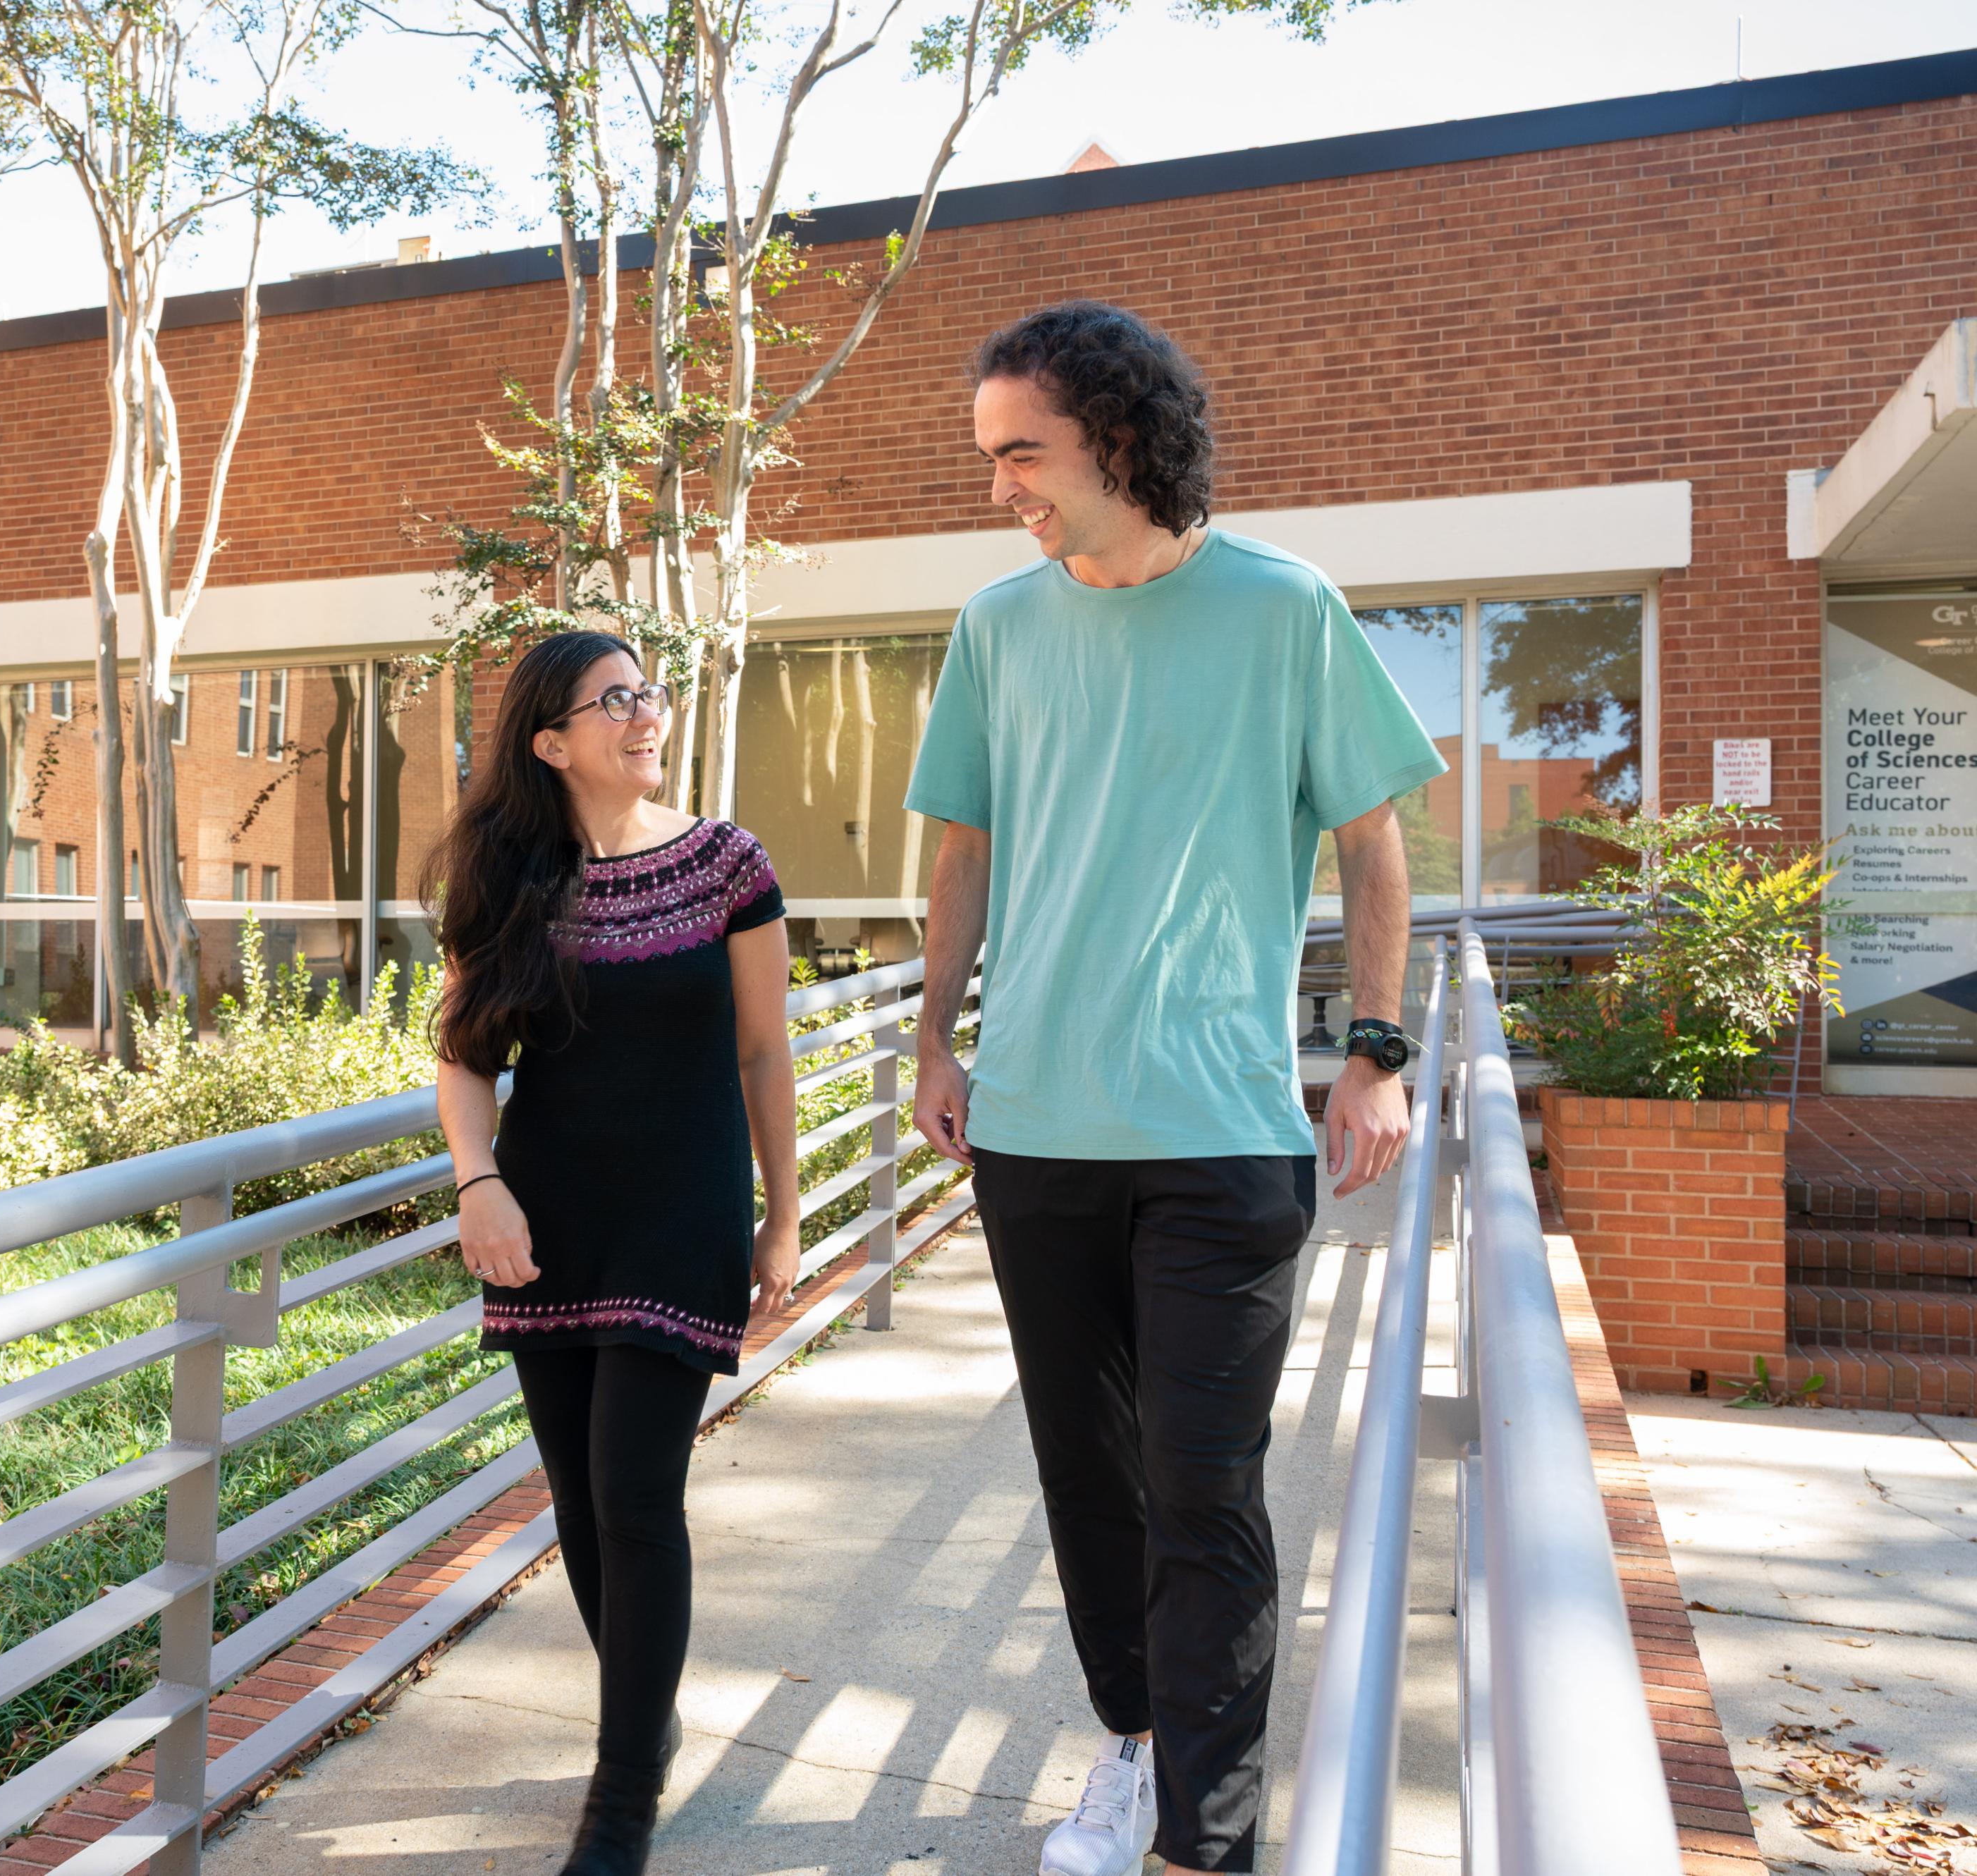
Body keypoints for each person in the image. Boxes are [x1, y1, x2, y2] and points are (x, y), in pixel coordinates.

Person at [905, 301, 1443, 1876]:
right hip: (1034, 1134)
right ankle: (1137, 1744)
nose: (1000, 483)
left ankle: (1202, 1839)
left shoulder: (1282, 607)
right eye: (988, 453)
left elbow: (1373, 845)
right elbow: (960, 852)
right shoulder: (994, 627)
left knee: (1201, 1485)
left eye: (1024, 452)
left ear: (1120, 438)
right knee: (1088, 1478)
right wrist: (936, 1037)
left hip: (1220, 1138)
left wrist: (1375, 1048)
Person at [429, 630, 802, 1876]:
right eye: (616, 699)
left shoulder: (727, 864)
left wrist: (784, 1211)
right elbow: (467, 1058)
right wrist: (479, 1183)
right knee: (584, 1506)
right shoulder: (505, 877)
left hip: (683, 1214)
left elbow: (763, 1051)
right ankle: (645, 1714)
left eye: (651, 691)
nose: (647, 713)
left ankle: (623, 1793)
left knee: (638, 1494)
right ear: (552, 741)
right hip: (550, 1222)